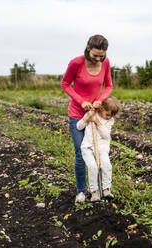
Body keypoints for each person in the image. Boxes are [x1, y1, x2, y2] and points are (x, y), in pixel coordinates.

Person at [61, 34, 113, 202]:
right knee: (81, 154)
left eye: (102, 55)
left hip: (95, 113)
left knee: (97, 150)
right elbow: (65, 84)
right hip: (78, 114)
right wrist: (81, 101)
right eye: (95, 55)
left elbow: (109, 86)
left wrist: (100, 100)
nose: (99, 59)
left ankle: (98, 190)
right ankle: (82, 191)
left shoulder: (105, 63)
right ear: (88, 48)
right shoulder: (76, 63)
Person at [76, 96, 121, 202]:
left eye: (111, 116)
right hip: (87, 147)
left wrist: (97, 121)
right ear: (101, 109)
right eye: (107, 114)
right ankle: (94, 192)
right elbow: (79, 126)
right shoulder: (91, 113)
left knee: (106, 164)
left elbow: (106, 135)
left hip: (102, 148)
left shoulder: (110, 121)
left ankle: (106, 189)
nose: (109, 117)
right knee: (92, 167)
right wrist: (87, 118)